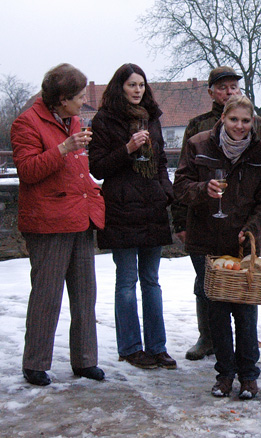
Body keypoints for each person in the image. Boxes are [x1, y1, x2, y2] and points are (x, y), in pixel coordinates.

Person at [173, 94, 261, 400]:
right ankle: (224, 375)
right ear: (223, 119)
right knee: (217, 311)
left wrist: (252, 229)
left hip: (243, 243)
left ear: (253, 123)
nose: (240, 126)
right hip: (206, 240)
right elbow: (179, 187)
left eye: (246, 121)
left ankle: (248, 375)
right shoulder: (198, 144)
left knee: (245, 312)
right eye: (234, 120)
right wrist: (202, 190)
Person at [11, 63, 105, 386]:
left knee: (85, 295)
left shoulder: (74, 120)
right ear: (62, 99)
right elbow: (28, 171)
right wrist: (64, 148)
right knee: (47, 296)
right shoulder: (27, 123)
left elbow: (79, 169)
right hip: (48, 223)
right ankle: (35, 362)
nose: (83, 102)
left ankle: (85, 360)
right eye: (79, 97)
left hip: (80, 217)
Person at [89, 63, 176, 370]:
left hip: (151, 206)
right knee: (126, 281)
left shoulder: (152, 117)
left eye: (141, 84)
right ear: (120, 88)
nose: (138, 90)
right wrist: (127, 148)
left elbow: (162, 159)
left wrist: (167, 190)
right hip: (122, 207)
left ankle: (158, 347)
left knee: (151, 281)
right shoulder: (104, 120)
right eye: (132, 85)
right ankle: (130, 347)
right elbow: (97, 168)